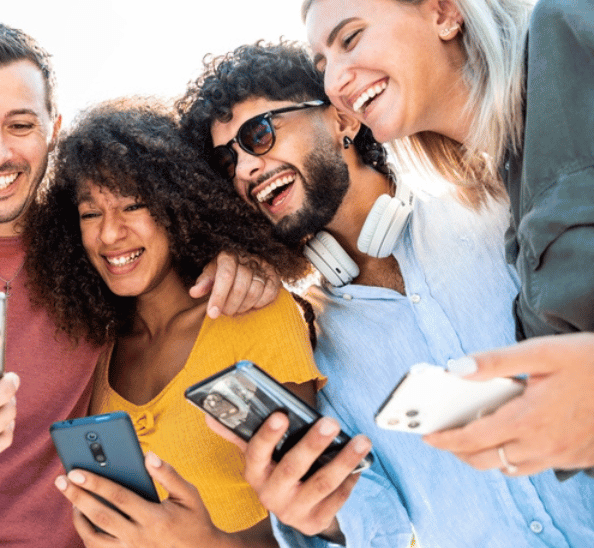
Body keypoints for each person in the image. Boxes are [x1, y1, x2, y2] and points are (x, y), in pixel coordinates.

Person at [0, 22, 273, 547]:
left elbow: (175, 235)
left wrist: (243, 255)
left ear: (53, 129)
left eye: (19, 125)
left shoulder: (95, 243)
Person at [180, 39, 594, 547]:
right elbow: (383, 532)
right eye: (229, 163)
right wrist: (319, 520)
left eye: (259, 134)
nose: (245, 169)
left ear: (343, 121)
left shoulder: (500, 213)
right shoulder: (308, 350)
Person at [302, 0, 594, 475]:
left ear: (443, 12)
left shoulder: (571, 23)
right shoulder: (512, 210)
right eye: (322, 64)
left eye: (350, 38)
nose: (334, 82)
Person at [22, 96, 320, 547]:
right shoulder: (99, 350)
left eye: (132, 205)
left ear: (175, 205)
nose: (108, 233)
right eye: (90, 214)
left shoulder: (255, 314)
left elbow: (316, 516)